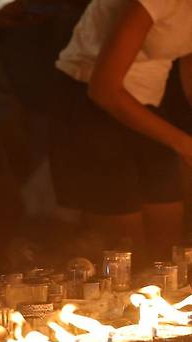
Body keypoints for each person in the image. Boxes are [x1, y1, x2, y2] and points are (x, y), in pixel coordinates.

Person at [51, 0, 192, 263]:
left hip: (147, 105)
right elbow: (103, 89)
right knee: (126, 253)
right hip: (89, 101)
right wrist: (184, 144)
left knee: (169, 248)